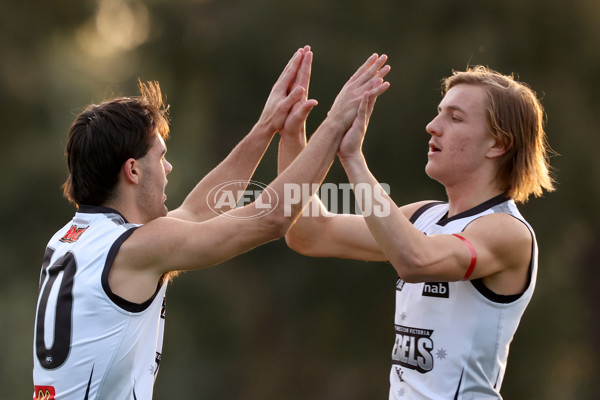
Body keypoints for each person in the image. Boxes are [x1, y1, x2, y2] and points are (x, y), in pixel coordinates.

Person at [32, 46, 391, 400]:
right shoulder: (136, 248)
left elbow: (194, 214)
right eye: (161, 158)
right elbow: (273, 216)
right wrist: (334, 125)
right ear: (133, 170)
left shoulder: (73, 238)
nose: (168, 168)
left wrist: (265, 128)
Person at [279, 65, 555, 399]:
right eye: (439, 113)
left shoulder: (507, 231)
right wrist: (293, 136)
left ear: (497, 144)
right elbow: (308, 233)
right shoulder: (425, 216)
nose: (432, 127)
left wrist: (353, 159)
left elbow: (413, 260)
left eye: (455, 118)